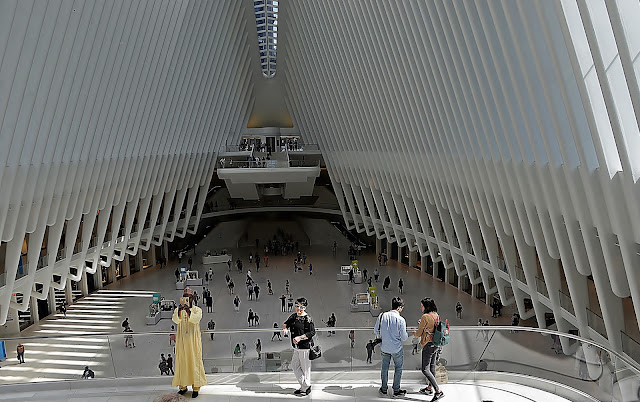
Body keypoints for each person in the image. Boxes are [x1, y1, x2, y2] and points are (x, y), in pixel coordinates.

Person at [172, 288, 207, 398]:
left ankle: (196, 388)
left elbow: (195, 319)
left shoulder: (197, 310)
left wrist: (188, 311)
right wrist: (179, 311)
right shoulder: (179, 310)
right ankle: (183, 387)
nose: (187, 299)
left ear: (193, 298)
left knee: (194, 362)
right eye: (185, 296)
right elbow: (175, 320)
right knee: (182, 362)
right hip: (182, 342)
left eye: (189, 297)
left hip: (193, 342)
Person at [374, 296, 408, 397]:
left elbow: (376, 331)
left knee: (384, 368)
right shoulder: (401, 320)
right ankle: (396, 389)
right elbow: (404, 338)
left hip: (384, 347)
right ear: (399, 308)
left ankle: (384, 388)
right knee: (398, 368)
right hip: (396, 348)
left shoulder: (382, 316)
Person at [283, 297, 316, 396]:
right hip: (296, 347)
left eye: (301, 307)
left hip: (304, 347)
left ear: (305, 307)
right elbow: (285, 323)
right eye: (297, 306)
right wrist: (285, 329)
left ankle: (304, 388)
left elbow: (312, 332)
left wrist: (300, 338)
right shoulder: (294, 316)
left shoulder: (307, 319)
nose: (298, 308)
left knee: (305, 369)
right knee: (294, 365)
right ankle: (306, 385)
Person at [414, 298, 445, 400]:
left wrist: (414, 333)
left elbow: (419, 333)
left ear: (426, 306)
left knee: (425, 369)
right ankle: (429, 388)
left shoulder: (425, 316)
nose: (420, 307)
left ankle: (438, 391)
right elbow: (432, 327)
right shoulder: (436, 315)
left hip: (428, 345)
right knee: (432, 366)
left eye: (422, 305)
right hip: (436, 344)